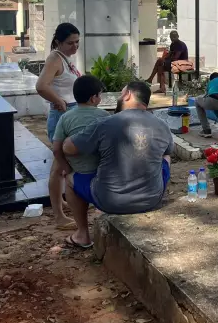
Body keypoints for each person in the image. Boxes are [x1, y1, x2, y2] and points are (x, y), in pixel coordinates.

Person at [62, 81, 173, 249]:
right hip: (151, 199)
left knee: (70, 179)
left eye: (121, 94)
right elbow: (168, 151)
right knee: (166, 157)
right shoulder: (162, 126)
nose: (119, 98)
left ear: (128, 95)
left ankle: (82, 235)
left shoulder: (105, 123)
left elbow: (68, 148)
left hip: (111, 201)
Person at [36, 22, 81, 229]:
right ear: (58, 42)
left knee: (64, 165)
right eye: (70, 43)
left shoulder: (65, 58)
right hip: (62, 114)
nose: (75, 46)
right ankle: (59, 217)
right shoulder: (55, 58)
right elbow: (41, 86)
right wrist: (58, 100)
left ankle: (60, 201)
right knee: (58, 166)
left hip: (70, 113)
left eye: (77, 42)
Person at [50, 74, 109, 198]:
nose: (100, 98)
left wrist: (68, 169)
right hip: (102, 175)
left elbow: (56, 150)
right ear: (93, 98)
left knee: (70, 184)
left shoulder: (65, 117)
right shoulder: (105, 116)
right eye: (100, 95)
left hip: (77, 174)